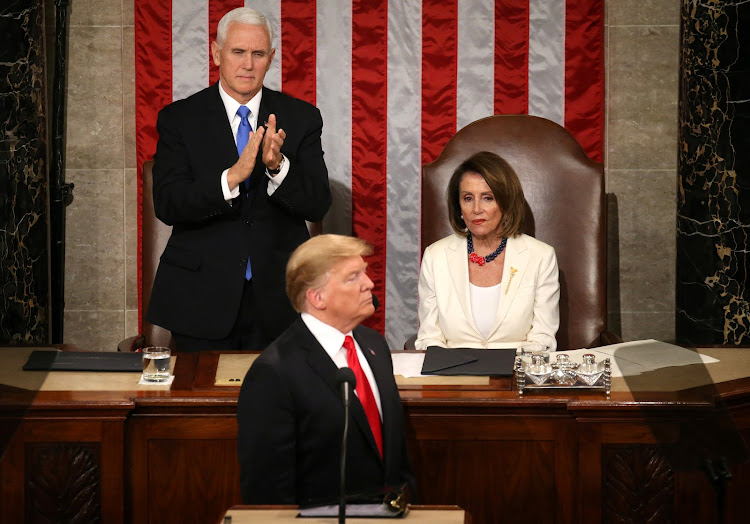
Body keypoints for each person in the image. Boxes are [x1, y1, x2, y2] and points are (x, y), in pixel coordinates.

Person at [146, 7, 331, 352]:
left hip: (281, 300)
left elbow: (318, 202)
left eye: (258, 54)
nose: (248, 64)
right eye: (238, 52)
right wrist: (230, 178)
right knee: (200, 406)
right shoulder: (179, 118)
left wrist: (278, 168)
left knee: (280, 404)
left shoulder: (302, 117)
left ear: (271, 58)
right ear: (217, 54)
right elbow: (168, 203)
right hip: (200, 298)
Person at [237, 234, 416, 505]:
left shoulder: (375, 346)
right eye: (353, 277)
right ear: (317, 297)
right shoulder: (274, 373)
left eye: (364, 273)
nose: (369, 284)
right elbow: (268, 494)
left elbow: (396, 455)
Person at [415, 151, 560, 351]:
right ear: (458, 206)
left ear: (506, 202)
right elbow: (429, 337)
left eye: (487, 198)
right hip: (454, 375)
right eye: (467, 198)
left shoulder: (541, 257)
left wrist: (499, 367)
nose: (476, 209)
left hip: (515, 375)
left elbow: (542, 340)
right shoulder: (435, 256)